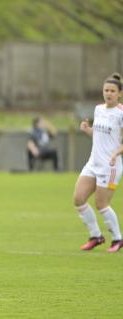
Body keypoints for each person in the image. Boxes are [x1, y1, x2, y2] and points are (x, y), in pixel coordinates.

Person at [74, 73, 123, 252]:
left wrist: (117, 152)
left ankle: (118, 239)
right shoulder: (98, 109)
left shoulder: (121, 114)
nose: (108, 93)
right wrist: (88, 130)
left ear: (119, 94)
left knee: (101, 204)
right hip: (93, 163)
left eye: (112, 91)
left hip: (110, 166)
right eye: (106, 90)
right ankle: (96, 236)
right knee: (79, 199)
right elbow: (100, 134)